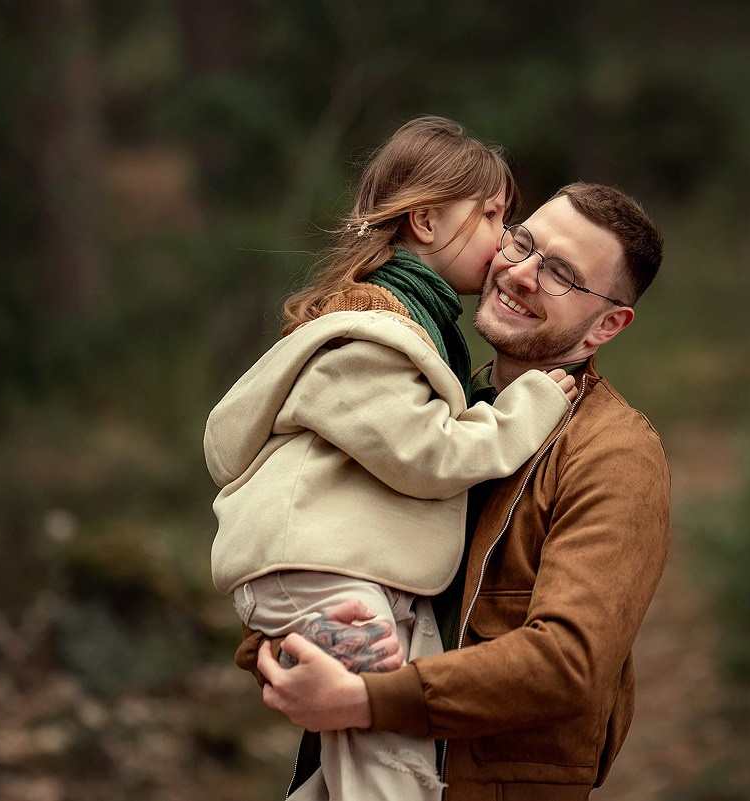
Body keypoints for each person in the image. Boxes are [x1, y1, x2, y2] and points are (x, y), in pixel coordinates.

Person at [254, 181, 671, 801]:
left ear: (607, 324)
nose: (522, 273)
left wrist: (368, 699)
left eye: (561, 273)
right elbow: (312, 540)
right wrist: (290, 643)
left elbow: (567, 665)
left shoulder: (613, 455)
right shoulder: (427, 415)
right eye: (523, 242)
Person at [204, 116, 579, 801]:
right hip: (325, 570)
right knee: (391, 767)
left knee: (375, 754)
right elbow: (429, 453)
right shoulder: (373, 336)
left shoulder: (416, 327)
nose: (504, 241)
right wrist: (531, 406)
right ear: (427, 222)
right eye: (493, 215)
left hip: (354, 575)